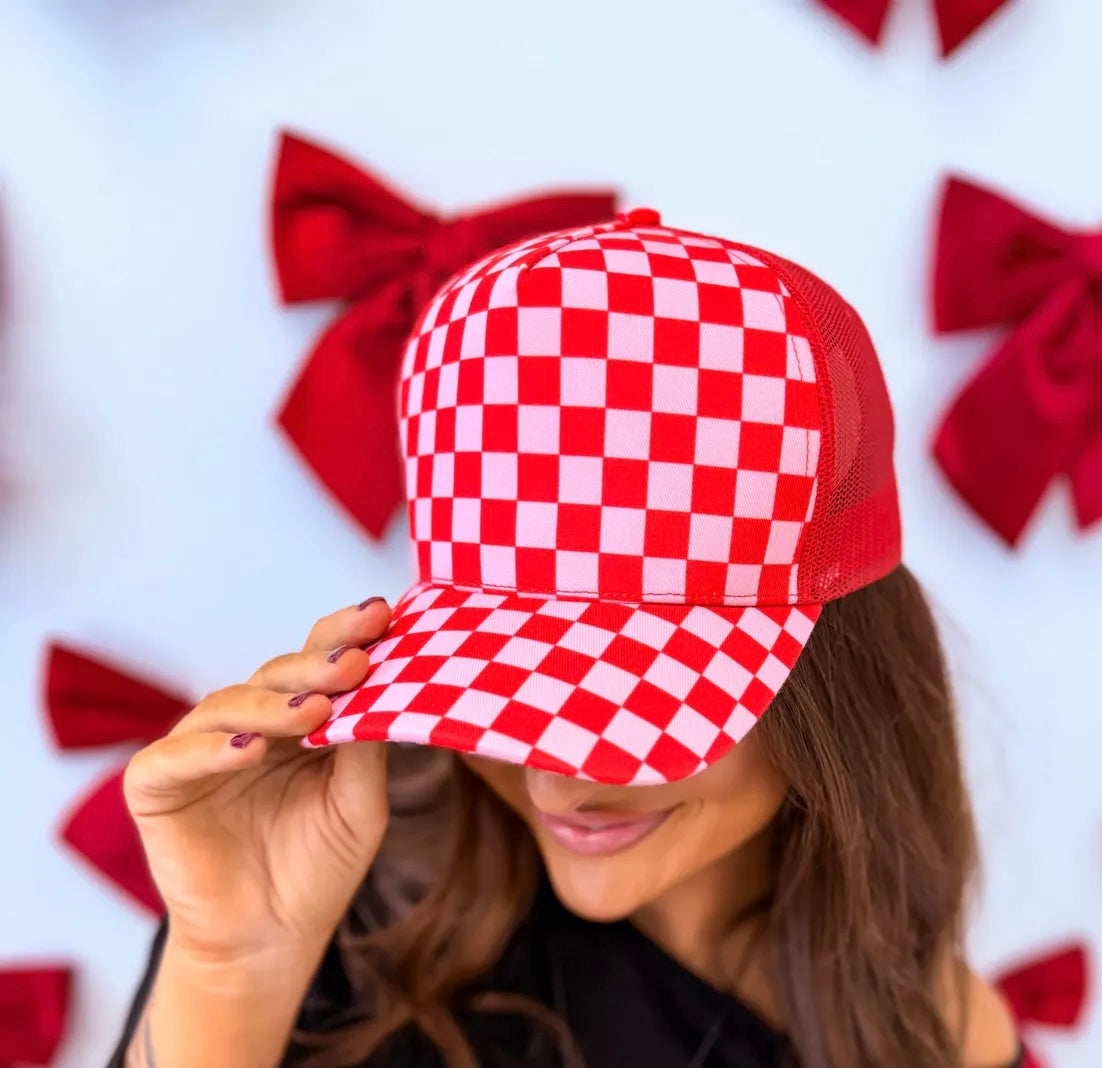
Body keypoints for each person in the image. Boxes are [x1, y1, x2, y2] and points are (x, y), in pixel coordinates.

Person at [109, 211, 1023, 1068]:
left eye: (646, 700)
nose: (556, 781)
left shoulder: (924, 1026)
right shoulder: (324, 909)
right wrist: (232, 974)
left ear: (835, 673)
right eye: (501, 690)